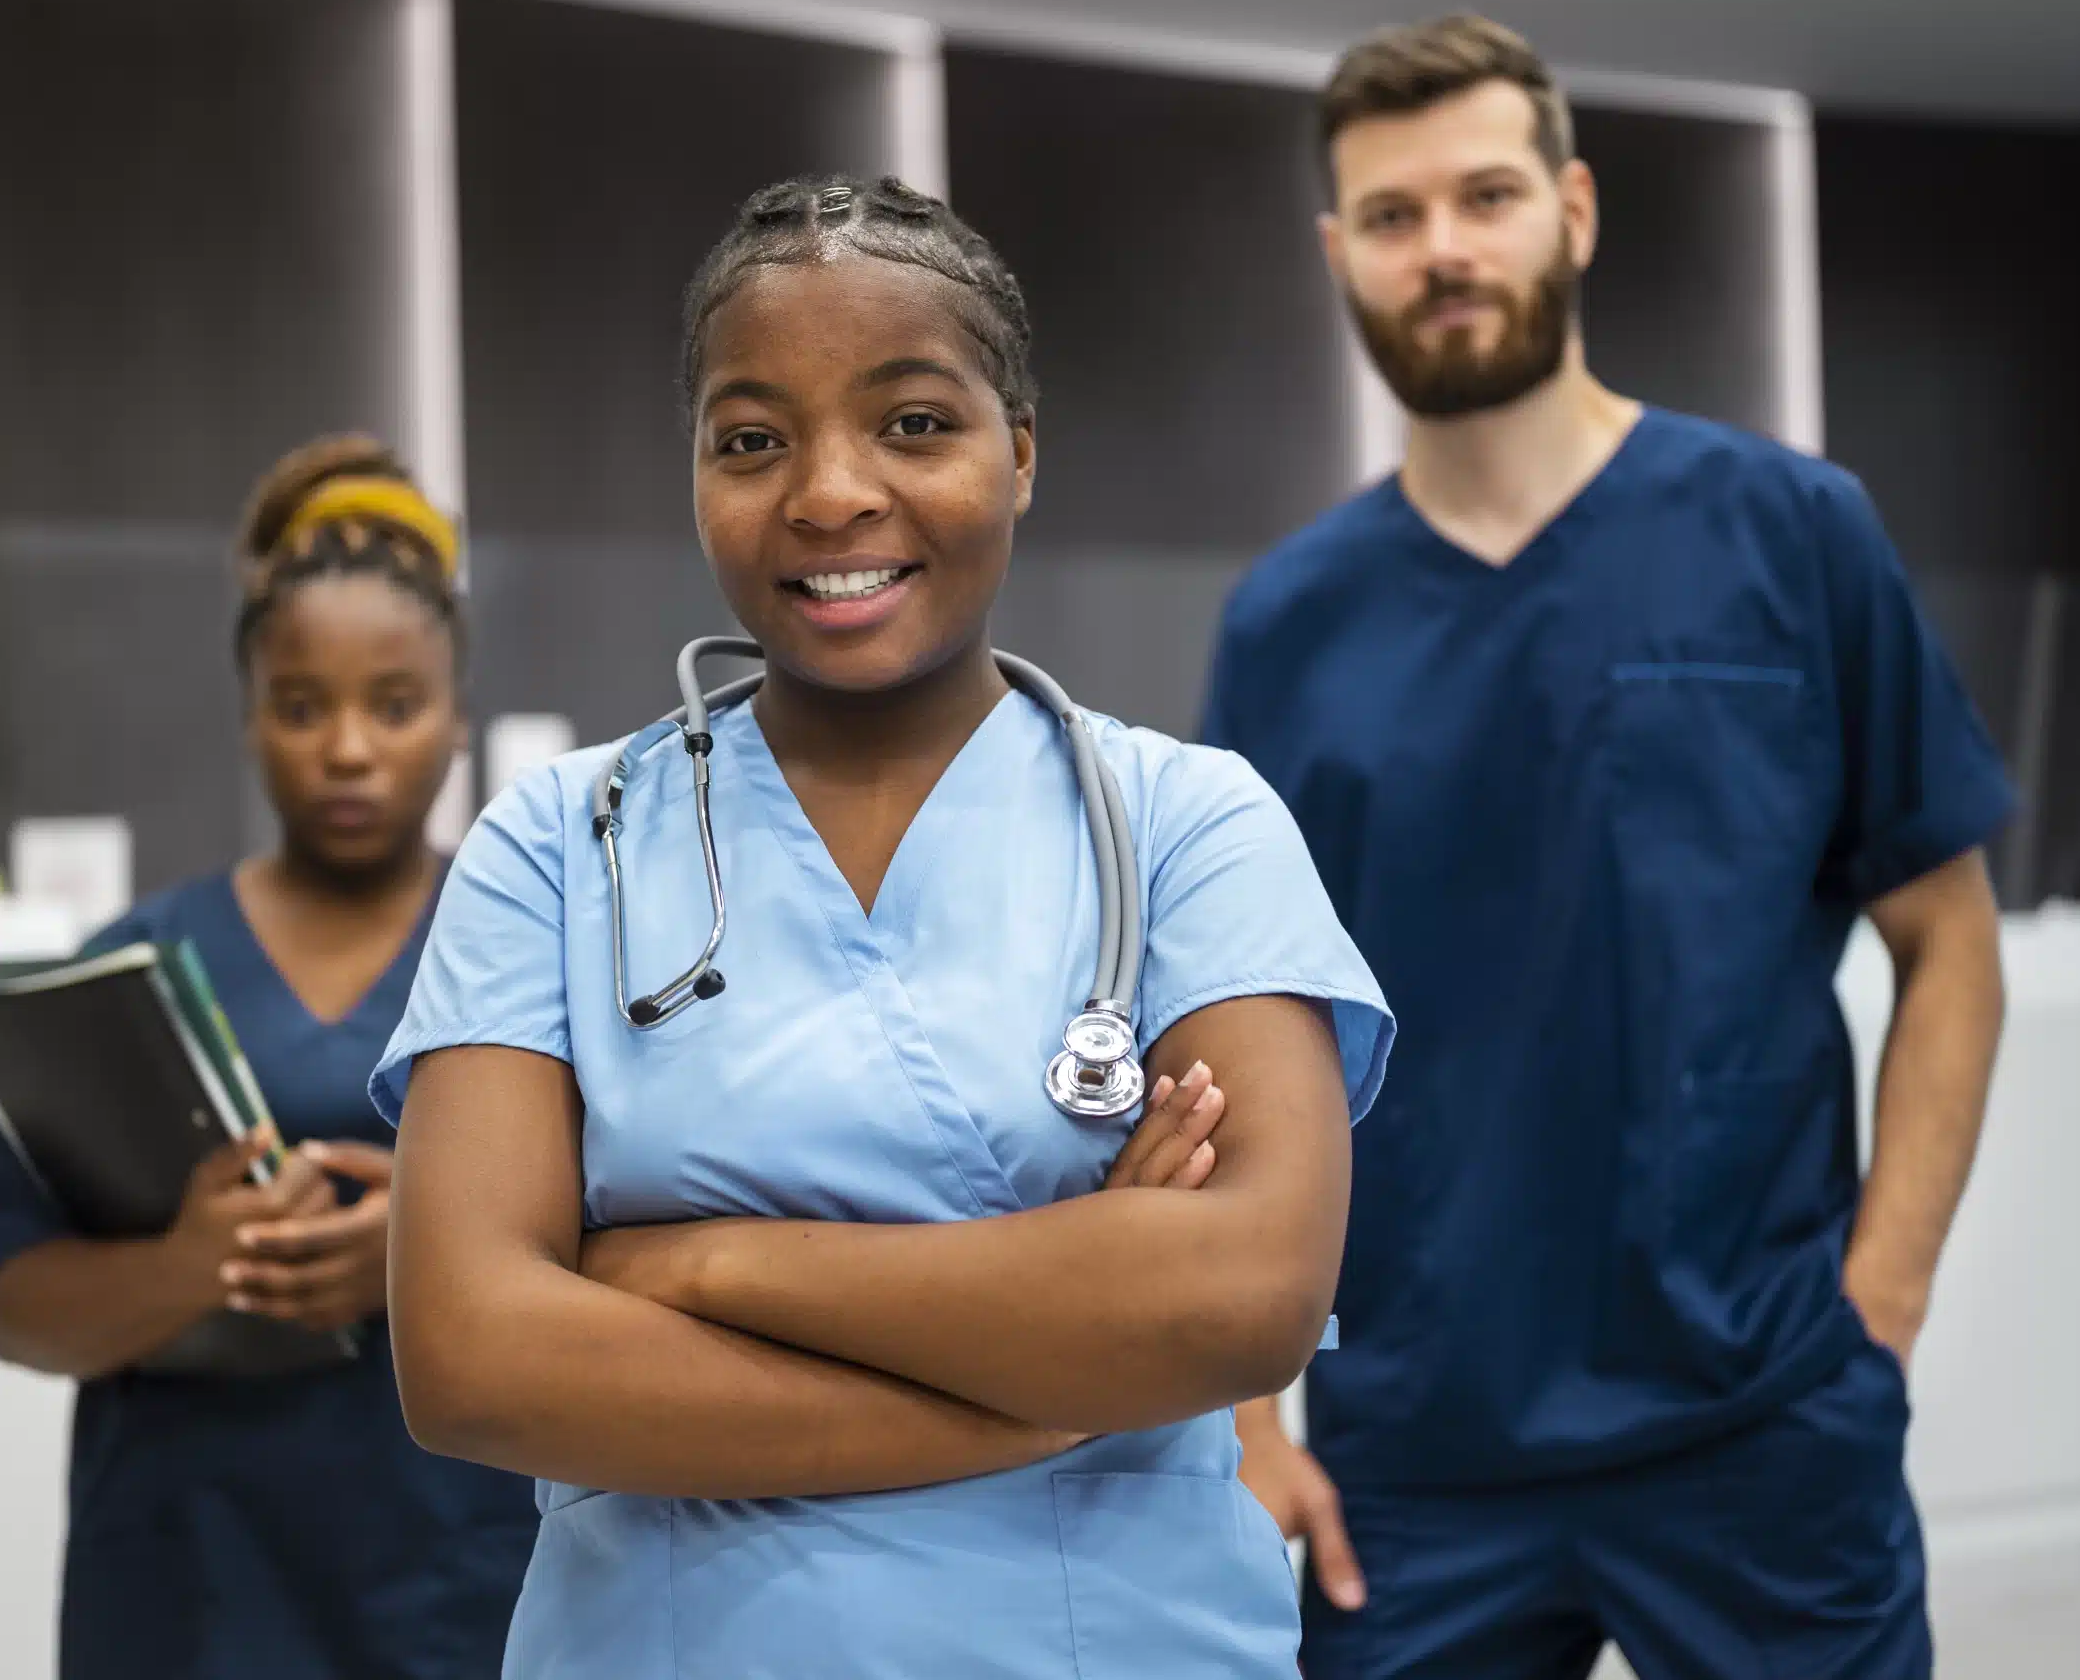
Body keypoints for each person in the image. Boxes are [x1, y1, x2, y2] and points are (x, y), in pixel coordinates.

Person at [372, 174, 1396, 1679]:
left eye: (914, 422)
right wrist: (1053, 1374)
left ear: (1022, 450)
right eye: (752, 438)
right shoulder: (560, 843)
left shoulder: (1191, 825)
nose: (831, 492)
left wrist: (698, 1266)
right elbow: (470, 1355)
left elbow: (1242, 1297)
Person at [1204, 14, 2013, 1680]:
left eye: (1484, 196)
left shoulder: (1792, 533)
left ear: (1573, 210)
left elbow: (1952, 943)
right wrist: (1242, 1417)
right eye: (1394, 214)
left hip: (1762, 1417)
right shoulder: (1287, 623)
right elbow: (1233, 1035)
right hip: (1415, 1454)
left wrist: (1880, 1313)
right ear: (1338, 252)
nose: (1443, 250)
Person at [0, 435, 540, 1679]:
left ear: (455, 720)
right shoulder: (132, 972)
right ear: (248, 713)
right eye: (300, 704)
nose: (346, 748)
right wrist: (187, 1265)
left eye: (394, 703)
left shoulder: (533, 956)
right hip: (185, 1596)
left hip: (461, 1587)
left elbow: (657, 1255)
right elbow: (11, 1301)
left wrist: (414, 1254)